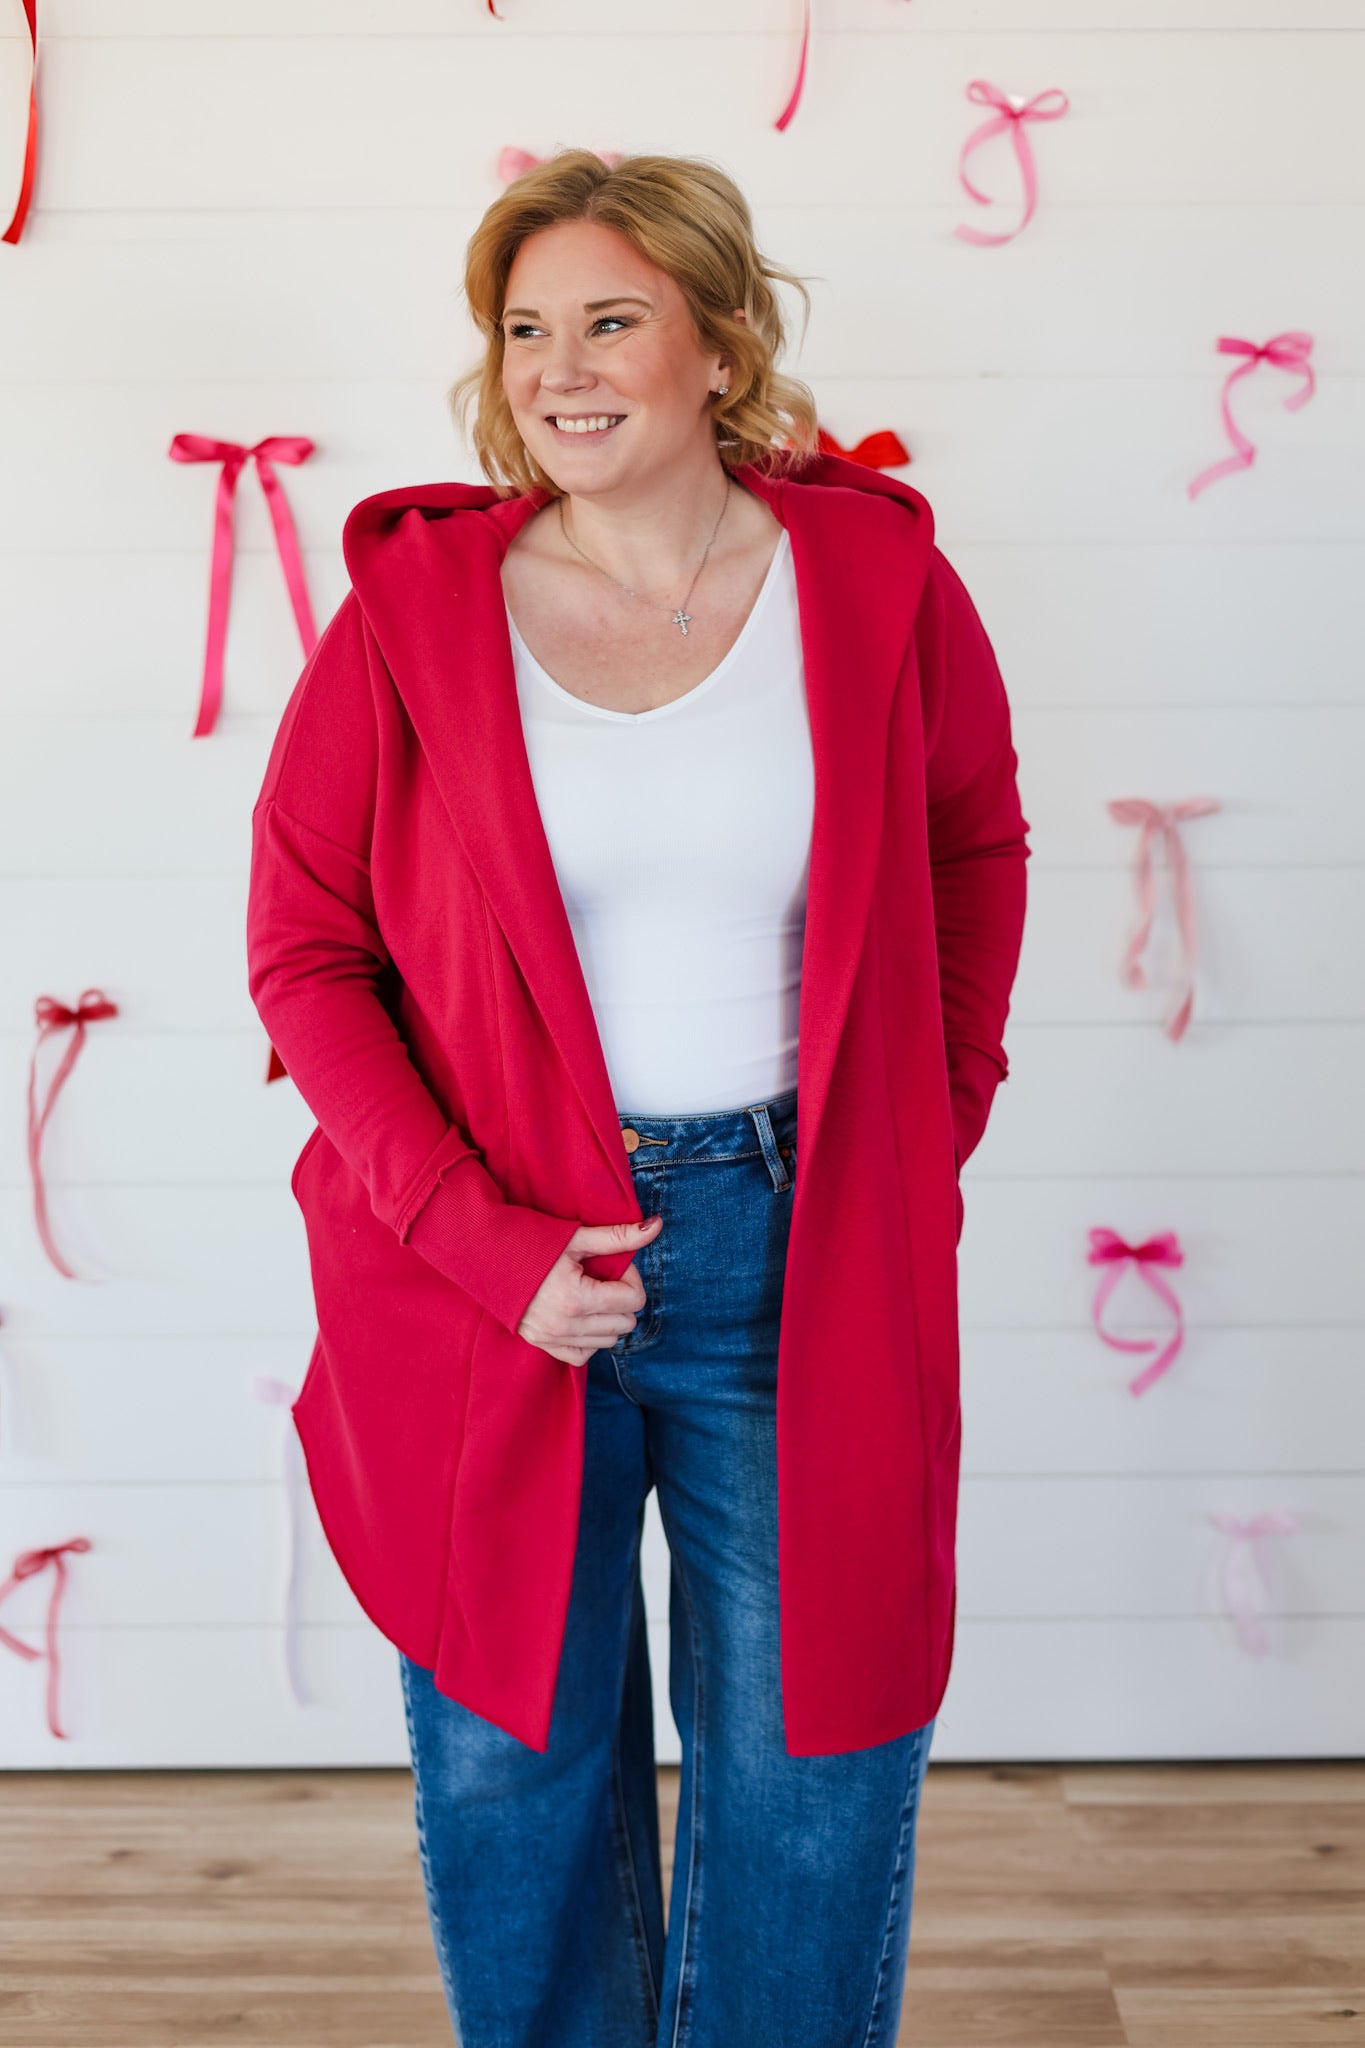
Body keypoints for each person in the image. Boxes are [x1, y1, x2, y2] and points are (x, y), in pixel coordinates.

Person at [246, 148, 1030, 2048]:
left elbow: (971, 848)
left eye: (612, 320)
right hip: (490, 1265)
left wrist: (926, 1128)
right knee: (510, 1767)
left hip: (798, 1239)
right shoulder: (415, 612)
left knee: (813, 1762)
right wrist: (478, 1238)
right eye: (525, 330)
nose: (559, 370)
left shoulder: (874, 583)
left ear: (721, 345)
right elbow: (303, 954)